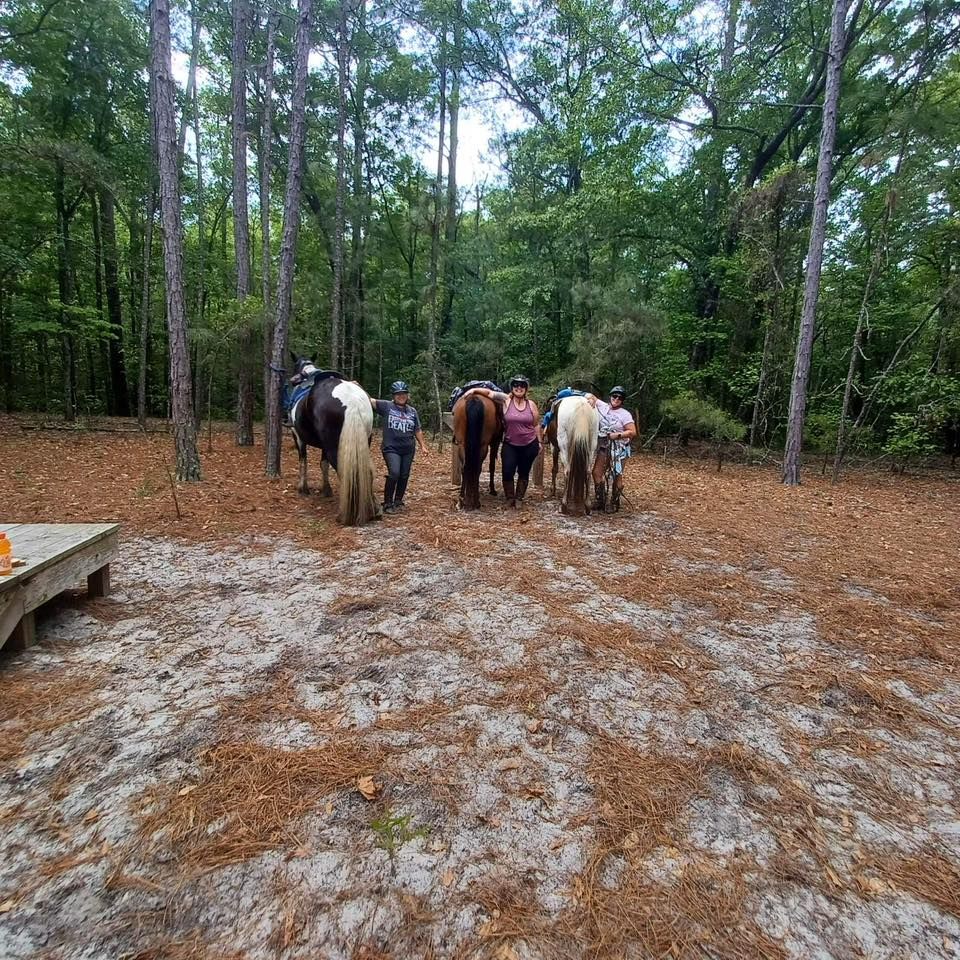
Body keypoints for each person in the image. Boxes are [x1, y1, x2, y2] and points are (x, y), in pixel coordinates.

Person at [462, 375, 542, 508]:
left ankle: (519, 498)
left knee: (524, 471)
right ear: (512, 387)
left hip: (529, 444)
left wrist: (539, 442)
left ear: (526, 389)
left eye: (522, 385)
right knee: (508, 471)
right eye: (516, 385)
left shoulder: (531, 405)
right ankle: (510, 498)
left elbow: (536, 425)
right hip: (510, 444)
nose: (519, 388)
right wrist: (474, 390)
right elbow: (489, 393)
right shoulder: (506, 400)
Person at [369, 381, 429, 513]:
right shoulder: (386, 406)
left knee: (404, 475)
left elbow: (417, 429)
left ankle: (398, 500)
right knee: (394, 473)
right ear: (393, 395)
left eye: (403, 394)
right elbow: (370, 400)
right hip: (391, 448)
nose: (401, 396)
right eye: (398, 394)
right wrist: (354, 387)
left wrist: (423, 445)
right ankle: (388, 502)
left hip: (408, 448)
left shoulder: (412, 411)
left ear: (407, 395)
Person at [584, 386, 637, 511]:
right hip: (604, 446)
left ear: (622, 400)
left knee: (617, 474)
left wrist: (617, 435)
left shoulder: (625, 414)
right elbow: (589, 395)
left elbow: (632, 432)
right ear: (611, 396)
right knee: (596, 472)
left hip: (619, 448)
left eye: (620, 397)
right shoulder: (603, 406)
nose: (617, 399)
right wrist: (590, 398)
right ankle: (600, 499)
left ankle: (614, 501)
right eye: (615, 396)